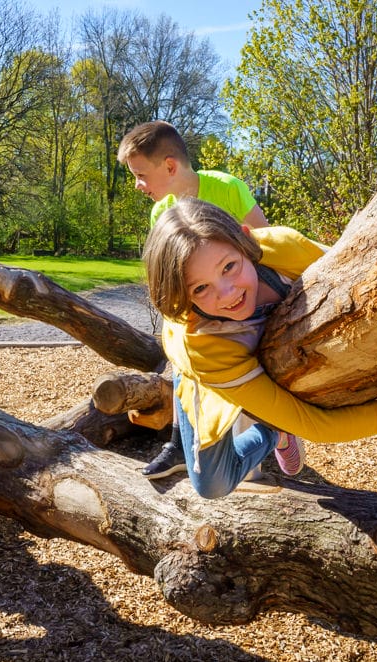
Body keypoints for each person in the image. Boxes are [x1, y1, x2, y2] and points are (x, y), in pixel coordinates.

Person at [143, 198, 377, 499]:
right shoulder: (199, 346)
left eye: (229, 267)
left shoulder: (284, 249)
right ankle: (274, 433)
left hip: (259, 352)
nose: (227, 293)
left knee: (283, 404)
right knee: (213, 485)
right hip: (208, 366)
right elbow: (315, 426)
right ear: (182, 297)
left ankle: (277, 426)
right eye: (200, 288)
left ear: (245, 241)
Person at [118, 120, 268, 478]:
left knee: (242, 381)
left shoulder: (227, 188)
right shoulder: (161, 212)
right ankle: (179, 443)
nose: (138, 185)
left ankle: (266, 435)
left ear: (170, 166)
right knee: (182, 352)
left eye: (140, 175)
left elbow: (266, 243)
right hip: (202, 312)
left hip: (245, 306)